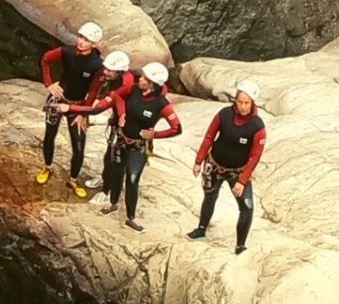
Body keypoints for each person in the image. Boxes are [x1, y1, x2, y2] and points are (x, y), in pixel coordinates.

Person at [71, 59, 181, 229]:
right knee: (116, 172)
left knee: (132, 179)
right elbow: (118, 97)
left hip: (138, 147)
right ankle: (113, 203)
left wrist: (155, 134)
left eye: (144, 79)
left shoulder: (161, 104)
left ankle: (131, 217)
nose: (140, 80)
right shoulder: (134, 89)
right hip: (122, 141)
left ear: (152, 84)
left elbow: (177, 128)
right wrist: (121, 113)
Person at [187, 80, 266, 255]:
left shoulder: (257, 126)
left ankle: (240, 245)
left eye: (247, 103)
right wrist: (199, 161)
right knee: (210, 196)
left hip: (237, 172)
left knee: (247, 207)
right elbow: (209, 137)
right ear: (235, 101)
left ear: (252, 103)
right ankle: (201, 229)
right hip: (215, 166)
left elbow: (255, 156)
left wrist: (242, 181)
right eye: (240, 102)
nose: (243, 106)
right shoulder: (224, 115)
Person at [38, 22, 107, 197]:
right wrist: (49, 84)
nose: (82, 42)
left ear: (94, 44)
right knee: (49, 135)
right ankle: (47, 167)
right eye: (81, 37)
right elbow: (45, 59)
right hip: (58, 99)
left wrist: (83, 113)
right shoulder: (66, 52)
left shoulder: (97, 65)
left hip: (77, 105)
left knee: (78, 145)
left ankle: (73, 179)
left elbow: (93, 90)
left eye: (87, 40)